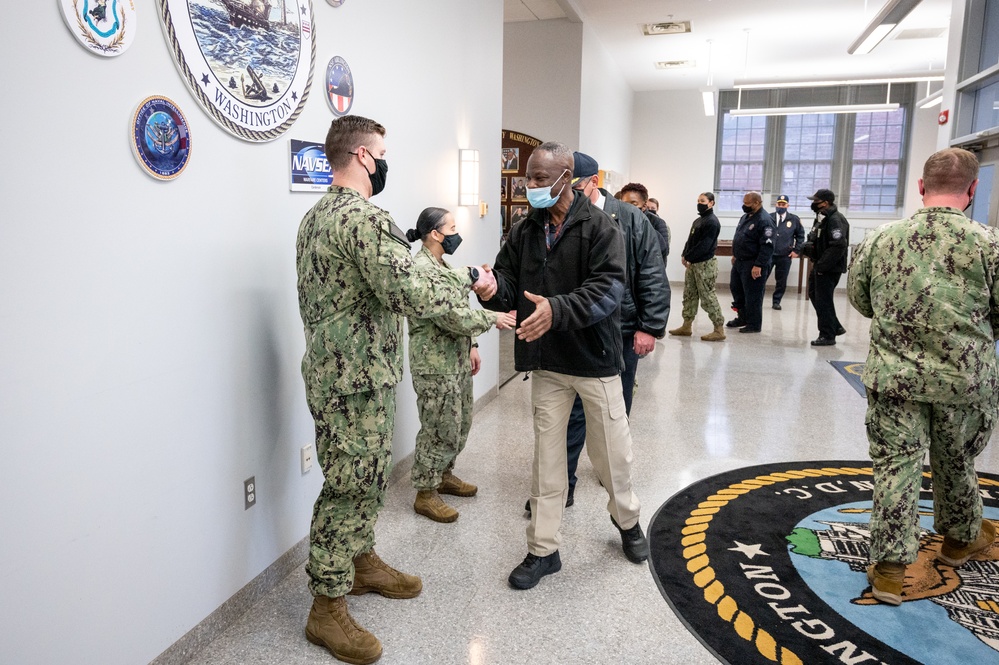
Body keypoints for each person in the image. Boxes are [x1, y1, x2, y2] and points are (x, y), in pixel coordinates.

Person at [296, 115, 491, 665]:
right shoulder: (361, 217)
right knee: (351, 483)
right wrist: (475, 303)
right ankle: (325, 606)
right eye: (381, 152)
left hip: (347, 372)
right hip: (353, 377)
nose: (384, 162)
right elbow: (409, 289)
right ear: (362, 156)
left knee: (365, 474)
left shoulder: (315, 217)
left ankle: (359, 562)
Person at [478, 142, 648, 590]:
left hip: (596, 360)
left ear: (566, 177)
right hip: (548, 362)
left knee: (612, 456)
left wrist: (556, 310)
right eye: (527, 178)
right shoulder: (524, 229)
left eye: (538, 179)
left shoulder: (601, 227)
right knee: (547, 461)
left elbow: (609, 289)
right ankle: (543, 550)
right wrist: (492, 288)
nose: (529, 186)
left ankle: (628, 522)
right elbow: (510, 283)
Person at [847, 147, 999, 606]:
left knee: (897, 465)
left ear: (920, 187)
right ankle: (959, 539)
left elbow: (860, 298)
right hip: (963, 381)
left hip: (895, 378)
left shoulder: (881, 239)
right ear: (971, 190)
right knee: (956, 460)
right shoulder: (990, 244)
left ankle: (891, 571)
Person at [529, 151, 668, 512]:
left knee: (613, 413)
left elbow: (651, 272)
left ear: (592, 182)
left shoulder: (630, 219)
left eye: (572, 186)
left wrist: (649, 327)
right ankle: (565, 485)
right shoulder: (550, 220)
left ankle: (616, 486)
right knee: (570, 414)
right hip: (572, 329)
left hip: (619, 330)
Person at [405, 208, 516, 523]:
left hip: (454, 357)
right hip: (434, 364)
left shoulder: (442, 265)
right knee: (438, 428)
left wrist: (473, 345)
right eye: (452, 227)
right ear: (436, 234)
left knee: (460, 421)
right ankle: (425, 493)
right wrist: (493, 318)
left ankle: (443, 474)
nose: (457, 233)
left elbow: (457, 303)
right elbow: (450, 316)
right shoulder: (423, 270)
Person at [669, 192, 726, 341]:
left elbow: (705, 245)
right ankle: (686, 326)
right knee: (689, 295)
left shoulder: (712, 222)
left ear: (711, 203)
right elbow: (690, 240)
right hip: (693, 264)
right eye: (698, 200)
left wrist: (689, 256)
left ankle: (719, 329)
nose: (699, 203)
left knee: (708, 297)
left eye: (703, 201)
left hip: (705, 265)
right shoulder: (698, 221)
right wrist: (684, 254)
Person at [802, 188, 849, 346]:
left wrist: (822, 266)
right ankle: (834, 326)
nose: (813, 204)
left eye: (816, 201)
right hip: (820, 265)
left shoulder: (835, 219)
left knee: (824, 300)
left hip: (828, 268)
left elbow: (838, 245)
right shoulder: (822, 217)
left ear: (826, 202)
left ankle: (827, 335)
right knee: (815, 295)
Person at [726, 191, 774, 333]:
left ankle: (754, 324)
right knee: (737, 289)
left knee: (753, 294)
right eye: (744, 202)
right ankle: (742, 317)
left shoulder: (765, 220)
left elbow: (767, 245)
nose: (744, 206)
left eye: (747, 203)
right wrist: (735, 254)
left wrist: (759, 265)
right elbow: (740, 236)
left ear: (757, 203)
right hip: (740, 261)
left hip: (753, 263)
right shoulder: (746, 217)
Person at [767, 194, 805, 310]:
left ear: (788, 205)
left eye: (783, 204)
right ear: (775, 204)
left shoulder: (794, 219)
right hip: (768, 254)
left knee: (781, 280)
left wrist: (796, 250)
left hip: (785, 255)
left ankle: (776, 301)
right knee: (761, 278)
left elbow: (800, 236)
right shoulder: (768, 218)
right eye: (779, 204)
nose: (781, 206)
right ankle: (756, 300)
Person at [621, 182, 670, 266]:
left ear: (644, 206)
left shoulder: (657, 222)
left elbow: (663, 249)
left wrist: (643, 225)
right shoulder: (619, 221)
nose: (628, 208)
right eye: (625, 204)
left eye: (634, 204)